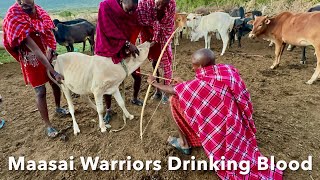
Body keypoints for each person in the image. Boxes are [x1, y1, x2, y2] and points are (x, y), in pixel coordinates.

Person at [147, 49, 283, 179]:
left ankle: (184, 144)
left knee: (173, 100)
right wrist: (183, 83)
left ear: (200, 66)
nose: (192, 68)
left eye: (194, 65)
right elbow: (199, 87)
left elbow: (174, 90)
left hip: (220, 124)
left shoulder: (200, 84)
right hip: (235, 118)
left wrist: (154, 83)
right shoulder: (226, 70)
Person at [2, 0, 68, 138]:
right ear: (19, 1)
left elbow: (49, 33)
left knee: (55, 83)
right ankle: (48, 126)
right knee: (40, 91)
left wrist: (51, 49)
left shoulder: (39, 10)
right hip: (31, 57)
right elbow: (35, 49)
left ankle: (58, 108)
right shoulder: (14, 16)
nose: (29, 7)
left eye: (30, 3)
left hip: (46, 52)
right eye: (24, 4)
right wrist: (53, 71)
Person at [95, 0, 143, 124]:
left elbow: (133, 26)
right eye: (129, 9)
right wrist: (126, 43)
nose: (132, 12)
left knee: (137, 75)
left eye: (134, 10)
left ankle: (135, 98)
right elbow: (108, 29)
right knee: (107, 81)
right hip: (107, 48)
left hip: (125, 48)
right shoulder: (106, 6)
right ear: (121, 1)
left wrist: (129, 44)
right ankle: (109, 110)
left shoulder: (133, 12)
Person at [137, 0, 175, 104]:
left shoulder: (171, 4)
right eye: (158, 3)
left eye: (163, 4)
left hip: (163, 35)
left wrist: (158, 36)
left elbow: (168, 23)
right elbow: (140, 19)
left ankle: (165, 92)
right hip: (148, 34)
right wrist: (152, 39)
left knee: (165, 65)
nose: (159, 7)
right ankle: (158, 90)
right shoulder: (144, 3)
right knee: (155, 62)